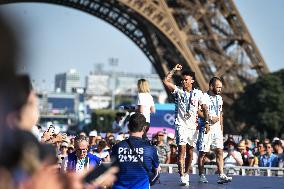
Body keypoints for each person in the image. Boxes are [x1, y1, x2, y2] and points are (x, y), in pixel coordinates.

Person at [163, 64, 207, 186]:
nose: (183, 81)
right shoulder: (178, 91)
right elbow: (166, 81)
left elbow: (204, 109)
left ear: (192, 81)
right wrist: (173, 70)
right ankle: (182, 175)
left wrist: (208, 121)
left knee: (190, 152)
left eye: (186, 80)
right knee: (181, 150)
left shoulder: (198, 93)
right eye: (182, 80)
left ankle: (187, 173)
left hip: (193, 127)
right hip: (180, 125)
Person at [197, 77, 232, 184]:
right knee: (203, 152)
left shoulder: (220, 98)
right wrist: (209, 118)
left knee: (219, 151)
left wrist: (221, 129)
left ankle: (221, 174)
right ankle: (201, 175)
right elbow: (198, 111)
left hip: (217, 129)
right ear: (211, 86)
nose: (220, 89)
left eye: (221, 87)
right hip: (206, 128)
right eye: (218, 87)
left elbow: (221, 114)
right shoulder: (203, 96)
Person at [111, 113, 160, 189]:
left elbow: (111, 170)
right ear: (144, 128)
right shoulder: (150, 149)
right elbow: (157, 171)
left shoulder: (116, 147)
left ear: (128, 127)